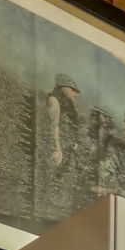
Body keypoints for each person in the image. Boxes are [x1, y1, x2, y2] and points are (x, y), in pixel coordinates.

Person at [40, 73, 87, 220]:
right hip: (58, 147)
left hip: (68, 148)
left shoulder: (68, 104)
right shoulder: (54, 100)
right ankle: (45, 204)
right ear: (64, 87)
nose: (76, 94)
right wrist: (57, 149)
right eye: (73, 90)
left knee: (61, 177)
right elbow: (53, 126)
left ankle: (53, 204)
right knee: (53, 174)